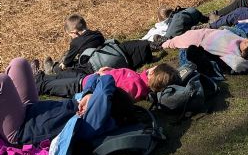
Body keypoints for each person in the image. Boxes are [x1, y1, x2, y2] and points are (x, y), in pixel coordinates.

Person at [0, 58, 123, 146]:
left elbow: (105, 88)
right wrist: (89, 91)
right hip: (30, 108)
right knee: (19, 63)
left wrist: (104, 76)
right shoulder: (88, 106)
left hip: (20, 129)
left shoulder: (93, 122)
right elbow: (94, 81)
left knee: (2, 81)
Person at [32, 62, 180, 99]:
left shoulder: (134, 83)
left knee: (49, 86)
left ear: (152, 73)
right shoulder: (139, 80)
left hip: (83, 87)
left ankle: (30, 85)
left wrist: (103, 76)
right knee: (57, 77)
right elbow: (119, 76)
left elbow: (113, 90)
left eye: (154, 67)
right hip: (86, 79)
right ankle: (38, 76)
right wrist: (110, 70)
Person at [162, 29, 248, 74]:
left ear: (243, 53)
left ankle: (165, 43)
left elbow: (238, 65)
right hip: (214, 32)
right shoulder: (247, 43)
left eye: (246, 43)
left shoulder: (233, 57)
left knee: (184, 40)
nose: (246, 40)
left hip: (202, 40)